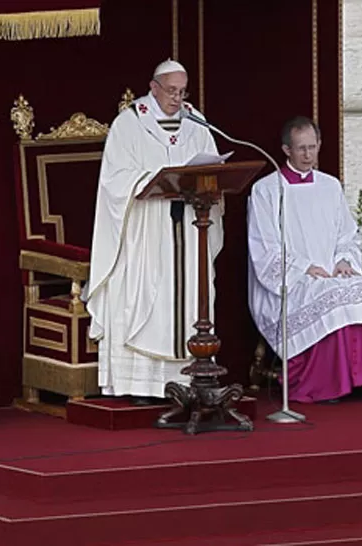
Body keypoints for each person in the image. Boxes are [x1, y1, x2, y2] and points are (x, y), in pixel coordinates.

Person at [85, 59, 222, 405]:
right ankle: (142, 384)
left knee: (190, 297)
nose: (178, 98)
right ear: (154, 87)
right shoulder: (128, 125)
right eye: (171, 91)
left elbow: (213, 168)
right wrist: (152, 179)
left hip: (191, 227)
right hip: (145, 230)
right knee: (147, 299)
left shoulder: (196, 123)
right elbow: (114, 181)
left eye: (182, 91)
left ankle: (190, 380)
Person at [247, 116, 362, 403]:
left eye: (313, 147)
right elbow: (264, 247)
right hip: (294, 279)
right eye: (301, 149)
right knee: (333, 298)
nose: (308, 155)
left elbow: (347, 234)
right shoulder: (266, 190)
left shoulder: (330, 186)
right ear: (286, 150)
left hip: (331, 271)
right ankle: (328, 384)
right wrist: (303, 269)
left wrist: (344, 260)